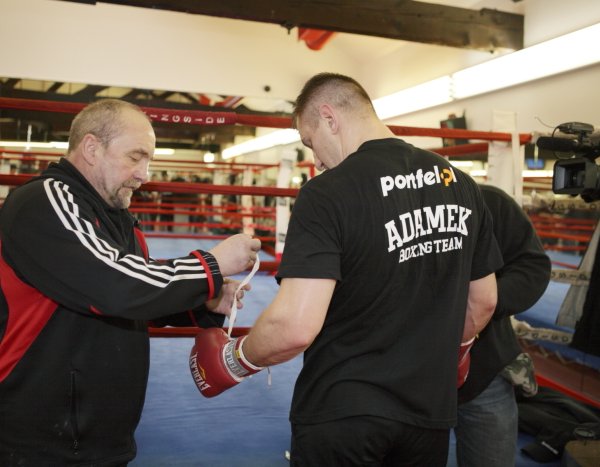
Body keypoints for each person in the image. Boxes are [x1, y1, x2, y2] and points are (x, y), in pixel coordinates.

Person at [190, 72, 503, 466]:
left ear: (329, 118)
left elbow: (294, 327)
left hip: (343, 412)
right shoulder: (460, 183)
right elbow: (483, 302)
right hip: (428, 413)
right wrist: (454, 353)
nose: (317, 161)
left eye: (311, 142)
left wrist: (236, 358)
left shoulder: (327, 193)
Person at [0, 99, 261, 466]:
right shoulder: (44, 201)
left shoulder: (120, 219)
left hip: (98, 433)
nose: (144, 174)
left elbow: (135, 299)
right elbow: (112, 286)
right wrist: (210, 267)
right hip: (38, 439)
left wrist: (202, 302)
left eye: (148, 160)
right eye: (135, 157)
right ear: (92, 148)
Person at [453, 183, 552, 467]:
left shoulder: (486, 201)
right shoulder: (386, 206)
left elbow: (532, 266)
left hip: (485, 369)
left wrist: (485, 302)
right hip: (406, 375)